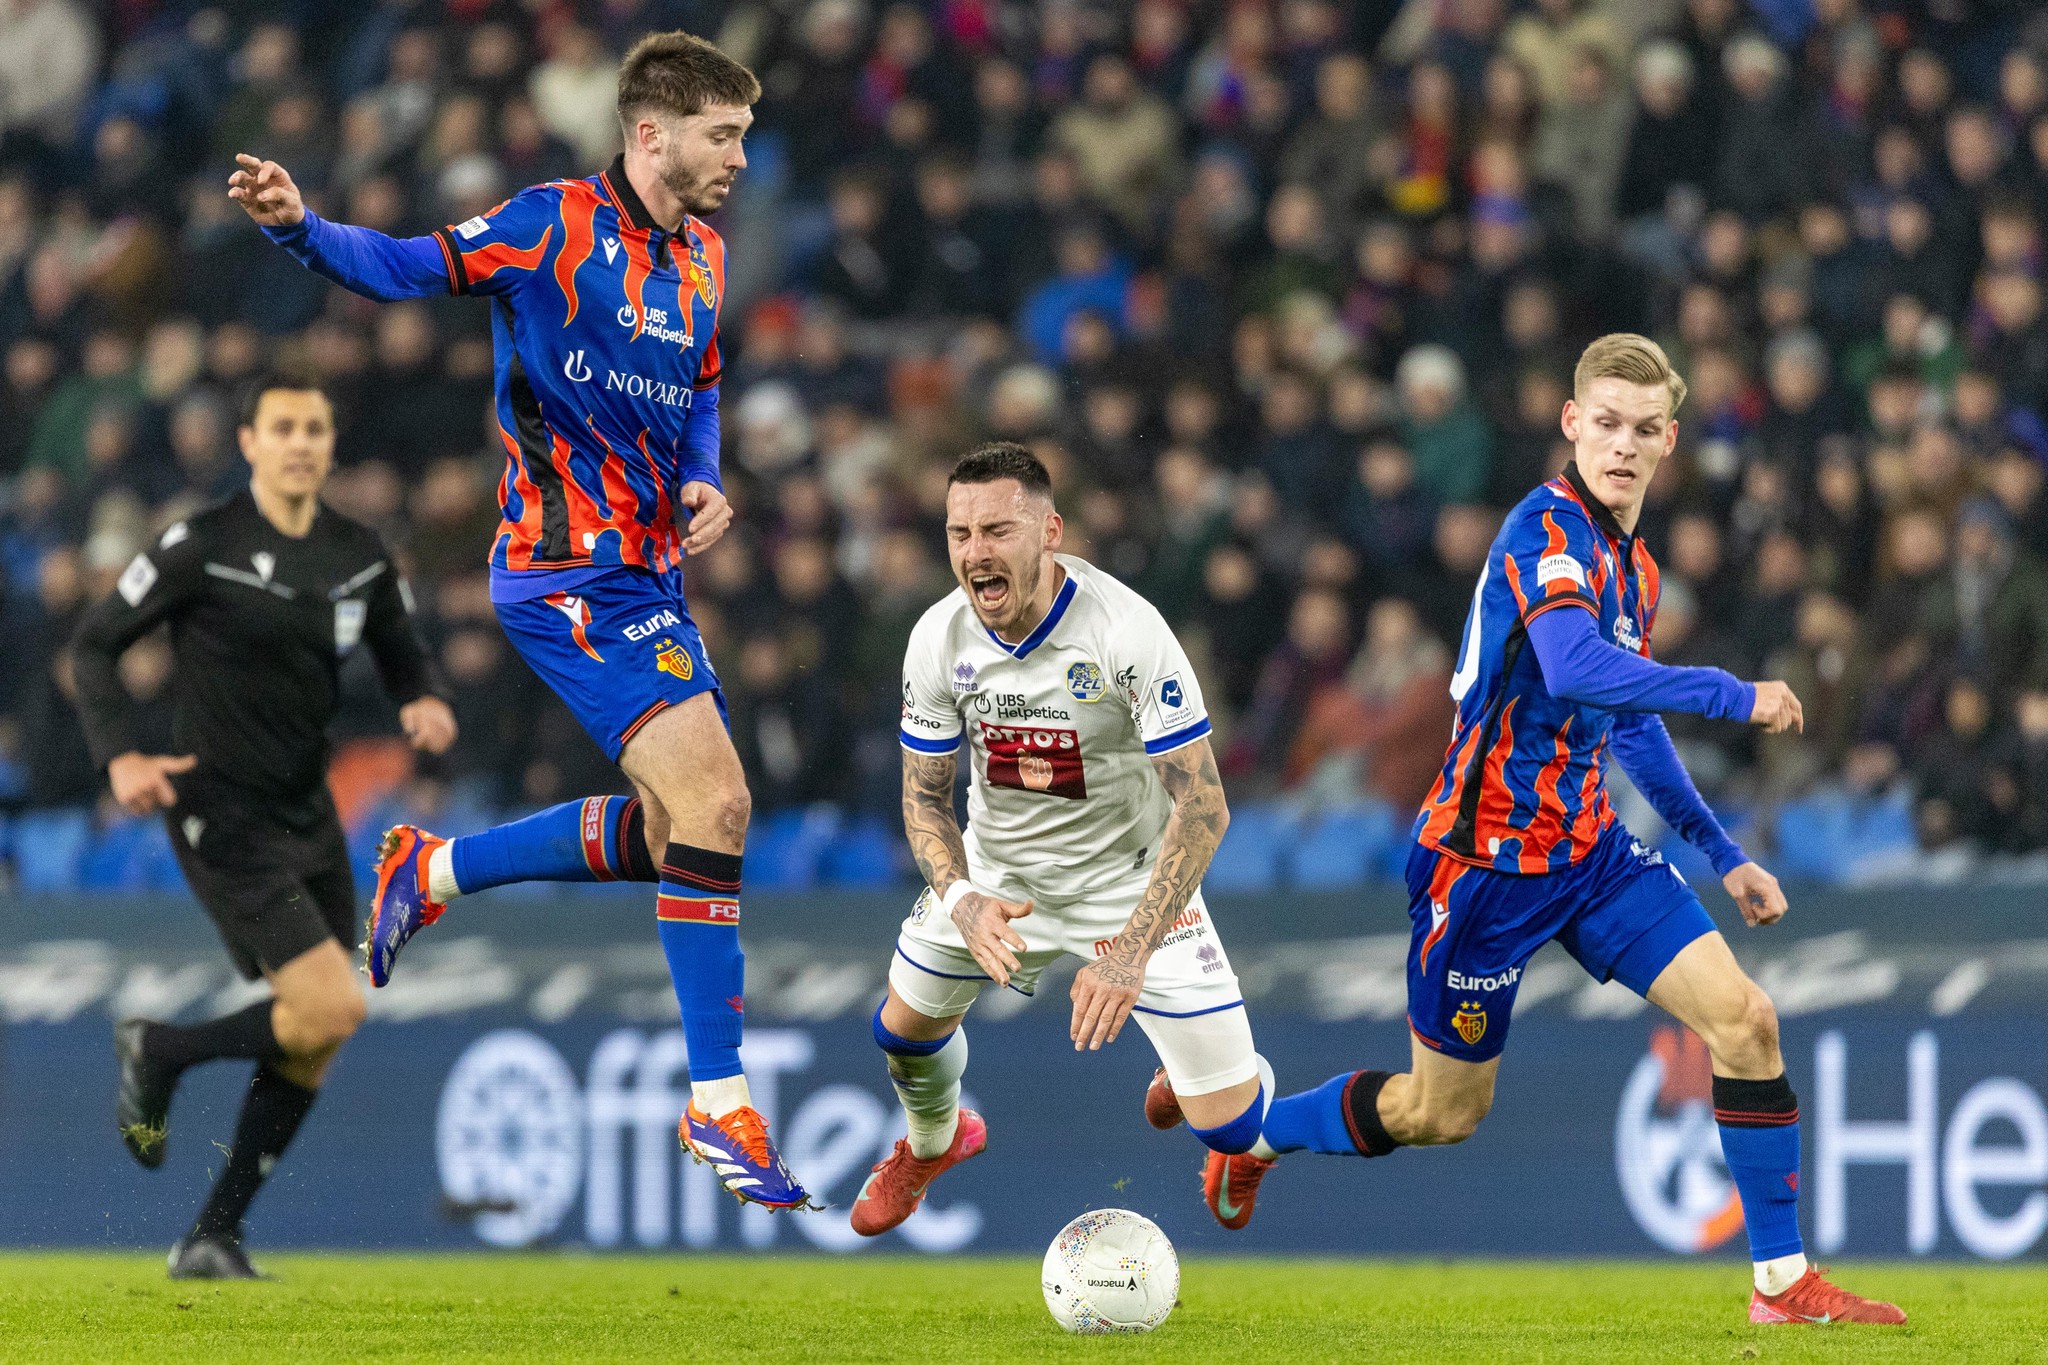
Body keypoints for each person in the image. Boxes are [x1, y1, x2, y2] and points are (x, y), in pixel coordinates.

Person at [1197, 336, 1907, 1326]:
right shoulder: (1545, 533)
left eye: (1641, 428)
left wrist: (1723, 853)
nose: (1620, 444)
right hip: (1478, 865)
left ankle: (1780, 1286)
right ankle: (1258, 1135)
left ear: (1668, 440)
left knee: (1745, 1022)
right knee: (1439, 1113)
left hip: (1587, 856)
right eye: (1602, 423)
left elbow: (1622, 719)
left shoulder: (1635, 566)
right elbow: (1573, 667)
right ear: (1570, 423)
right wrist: (1730, 693)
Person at [228, 30, 812, 1209]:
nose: (740, 159)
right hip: (561, 571)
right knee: (720, 803)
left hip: (647, 575)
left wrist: (706, 477)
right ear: (651, 134)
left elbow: (697, 389)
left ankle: (429, 869)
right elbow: (403, 266)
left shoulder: (701, 257)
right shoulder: (549, 223)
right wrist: (299, 225)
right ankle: (721, 1107)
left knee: (671, 834)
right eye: (723, 135)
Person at [72, 373, 456, 1278]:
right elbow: (93, 643)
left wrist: (424, 699)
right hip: (220, 807)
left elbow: (402, 651)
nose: (300, 442)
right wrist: (118, 758)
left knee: (319, 1030)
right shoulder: (198, 545)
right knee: (332, 1003)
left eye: (315, 428)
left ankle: (213, 1233)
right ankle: (159, 1048)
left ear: (330, 444)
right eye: (281, 426)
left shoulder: (357, 554)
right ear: (247, 441)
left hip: (308, 815)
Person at [850, 443, 1269, 1235]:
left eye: (997, 530)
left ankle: (1222, 1109)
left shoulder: (1125, 630)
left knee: (1233, 1125)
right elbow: (926, 800)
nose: (975, 553)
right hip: (1000, 878)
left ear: (1050, 532)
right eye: (959, 533)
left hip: (1131, 882)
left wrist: (1131, 950)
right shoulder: (938, 637)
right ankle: (934, 1142)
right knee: (902, 1032)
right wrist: (964, 897)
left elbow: (1205, 805)